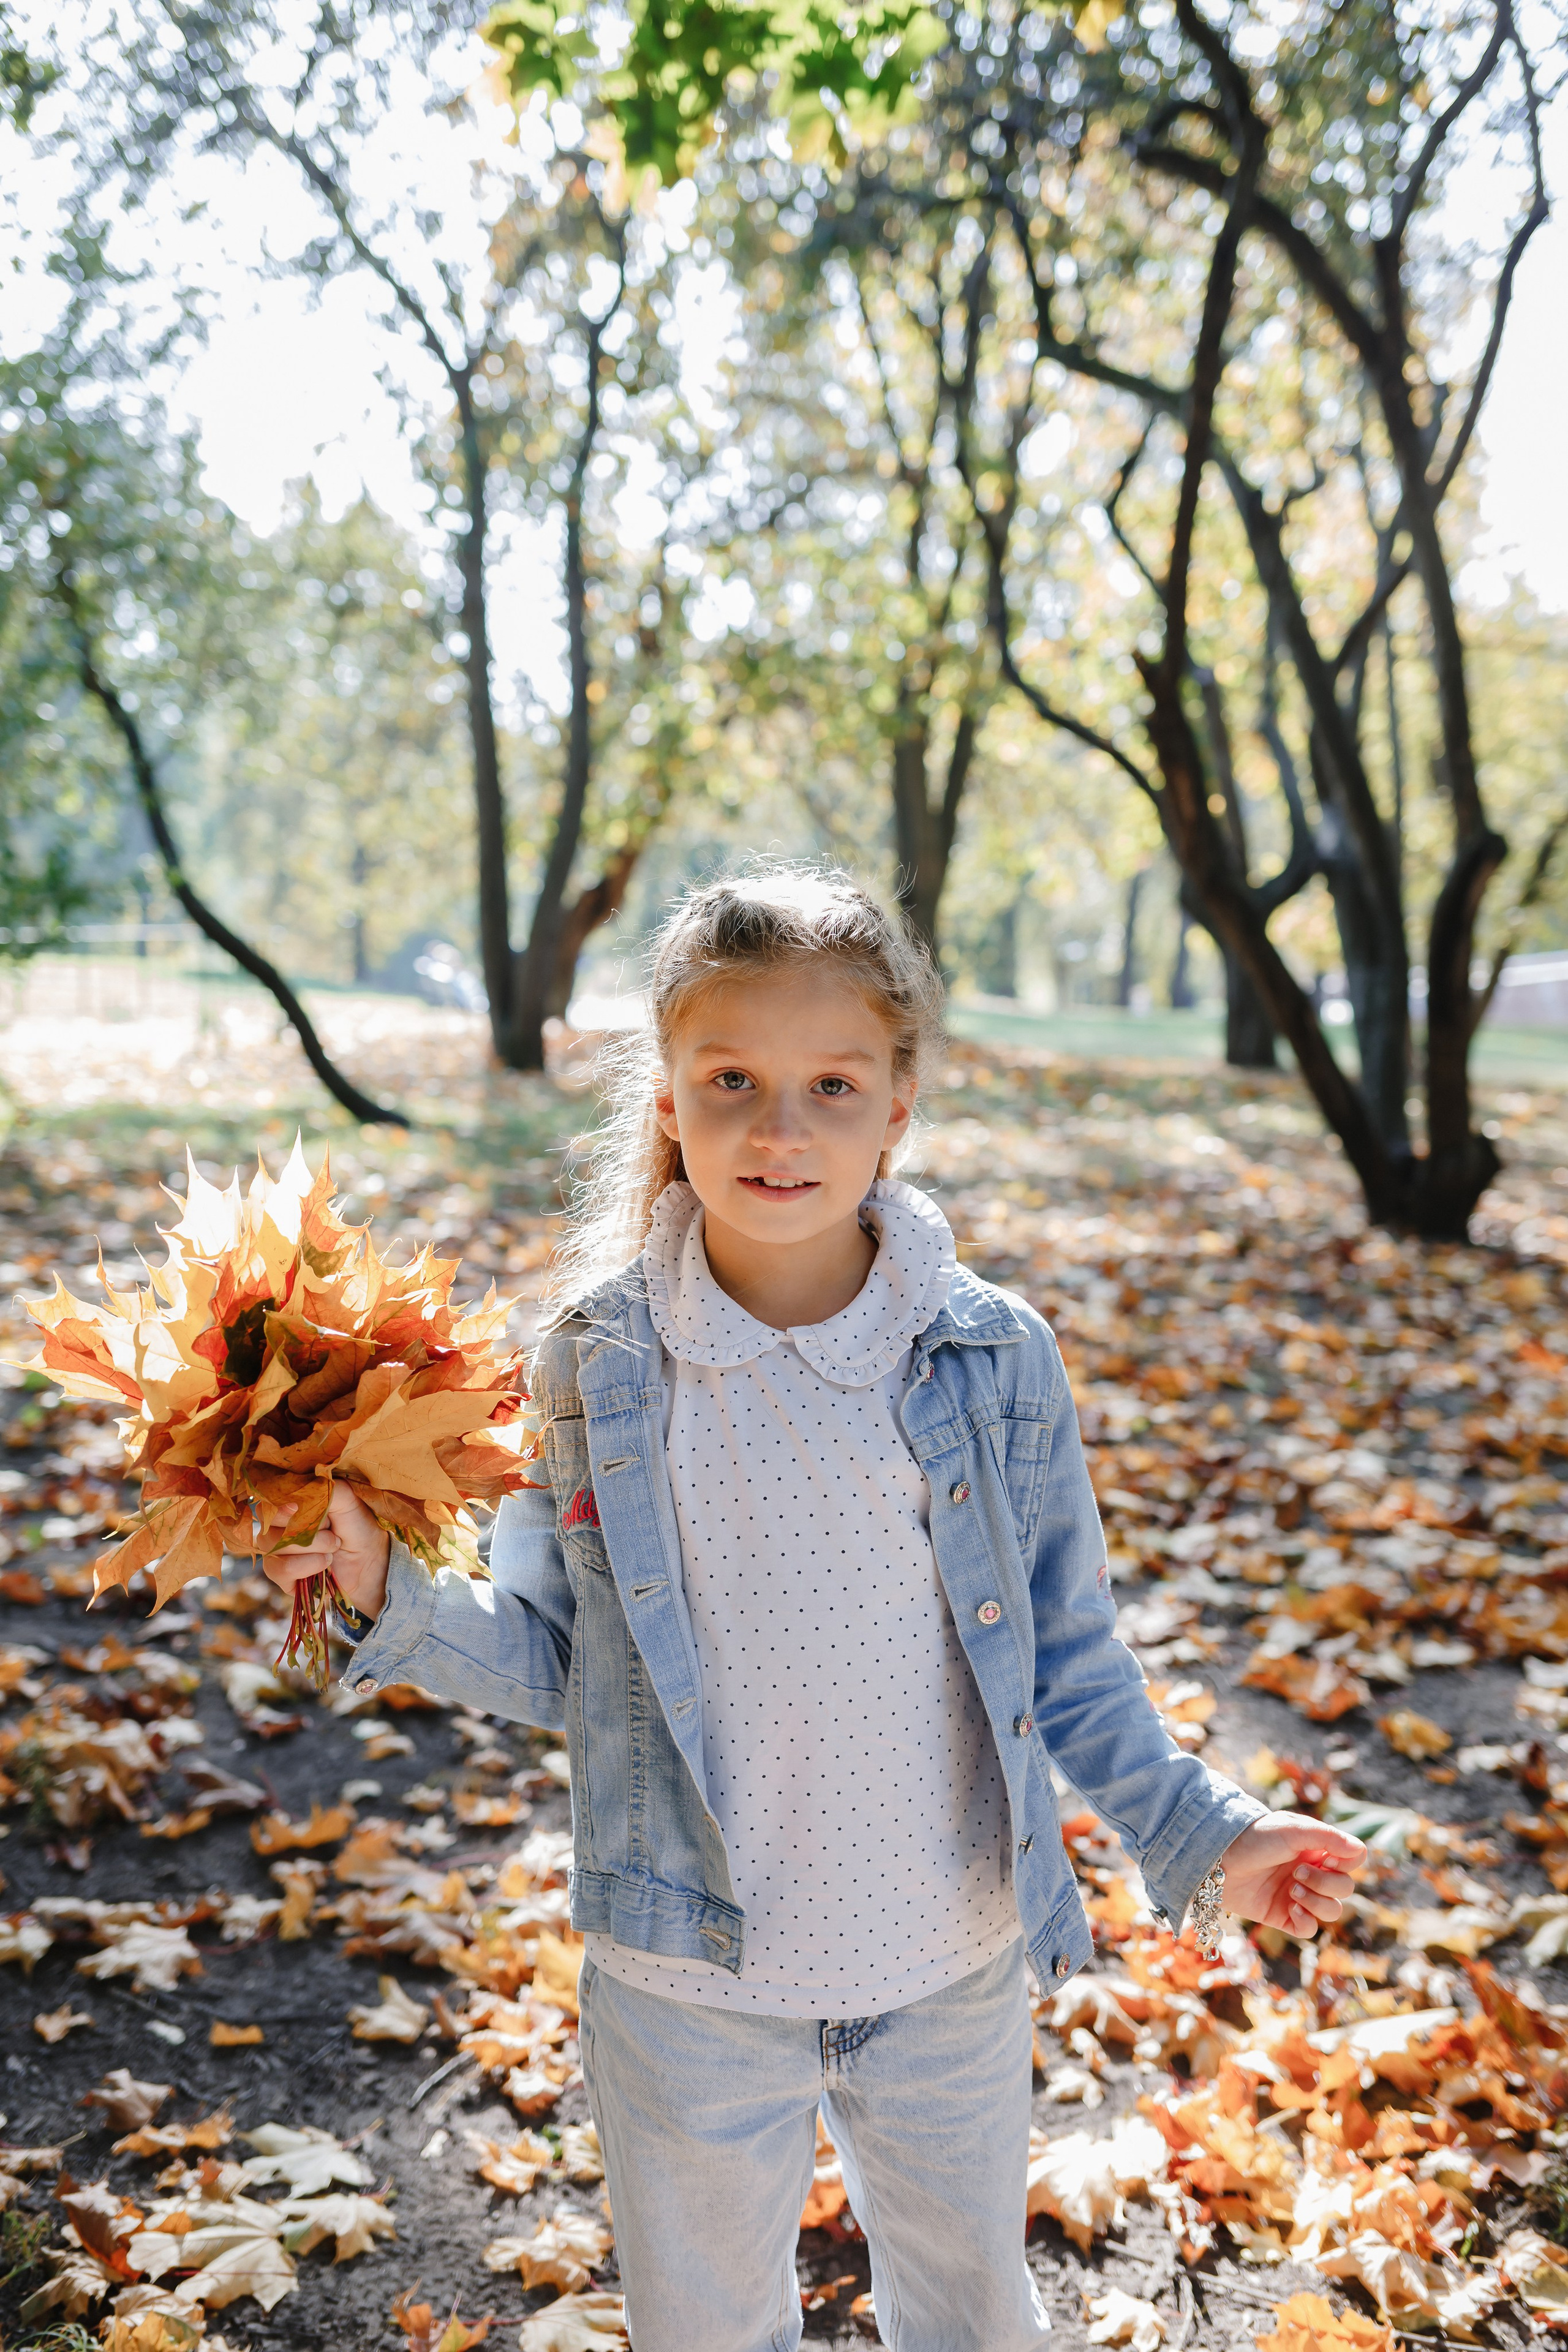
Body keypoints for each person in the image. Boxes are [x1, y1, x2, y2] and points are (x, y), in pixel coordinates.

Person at [263, 867, 1364, 2352]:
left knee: (974, 2323)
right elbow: (558, 1659)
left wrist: (1207, 1832)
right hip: (686, 1985)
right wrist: (378, 1590)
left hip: (942, 1960)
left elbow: (1066, 1657)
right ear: (668, 1097)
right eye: (731, 1080)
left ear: (896, 1107)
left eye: (830, 1085)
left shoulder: (988, 1358)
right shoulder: (593, 1363)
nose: (778, 1129)